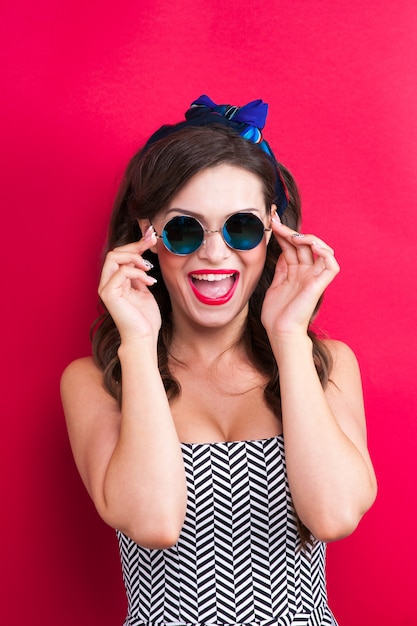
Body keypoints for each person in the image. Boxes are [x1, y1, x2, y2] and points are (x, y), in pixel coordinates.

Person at [61, 95, 377, 626]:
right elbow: (154, 521)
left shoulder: (327, 364)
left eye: (242, 228)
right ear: (148, 237)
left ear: (274, 232)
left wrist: (288, 335)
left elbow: (334, 514)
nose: (214, 254)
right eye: (185, 229)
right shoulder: (96, 380)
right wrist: (137, 342)